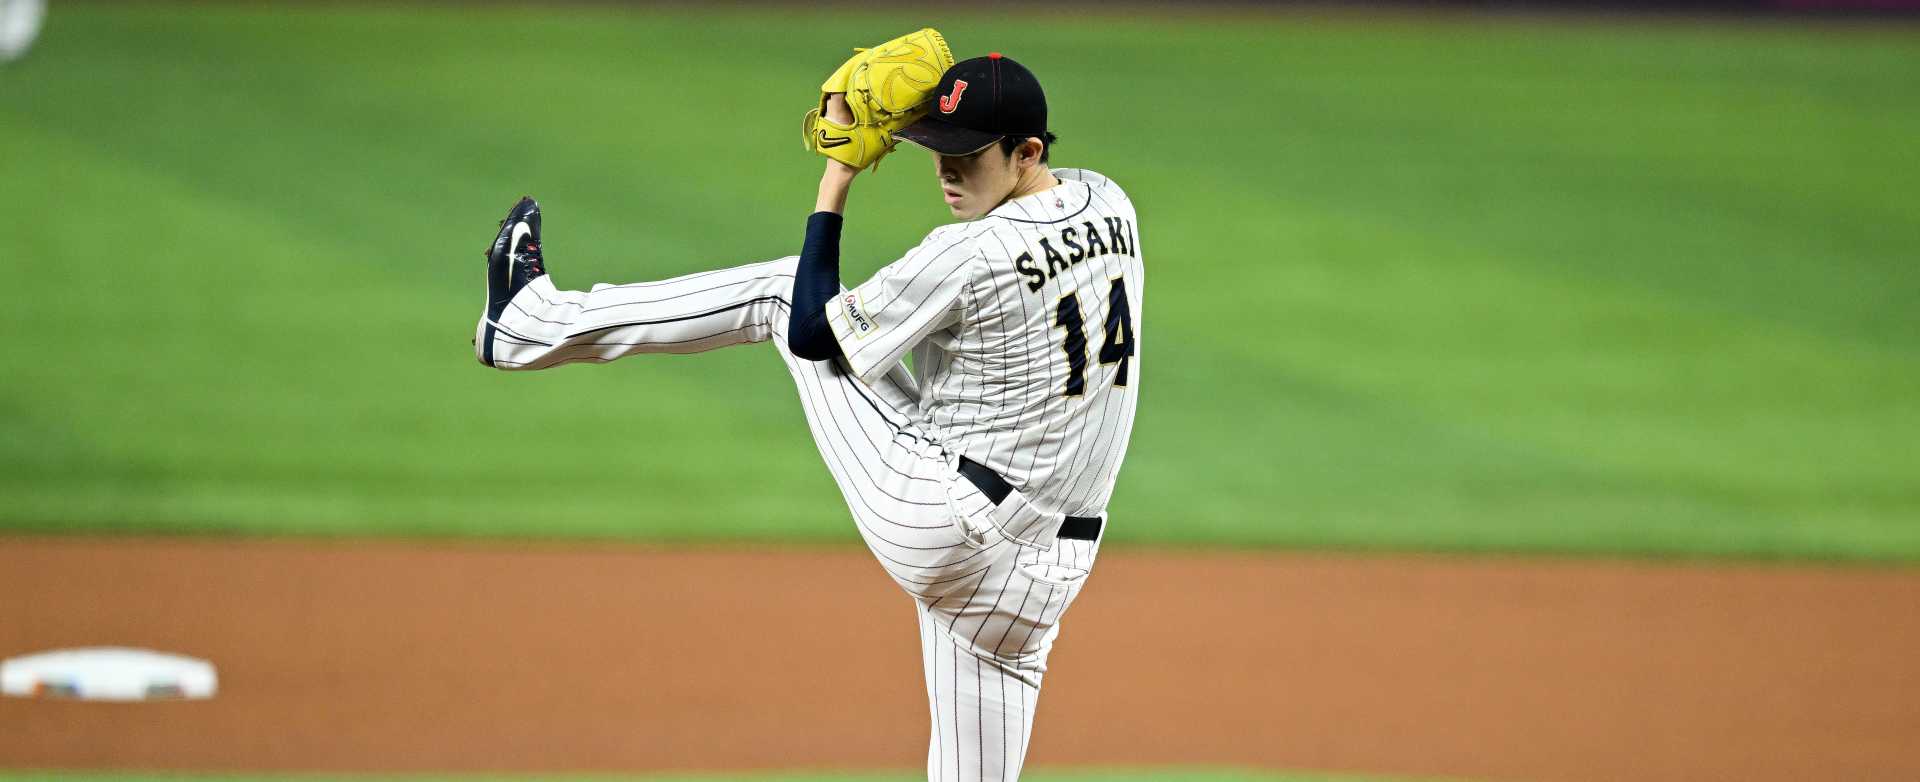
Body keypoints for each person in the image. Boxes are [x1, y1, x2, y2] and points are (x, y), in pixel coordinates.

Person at [473, 47, 1142, 782]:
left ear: (1027, 152)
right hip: (1044, 577)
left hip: (943, 525)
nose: (947, 170)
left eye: (968, 155)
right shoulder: (1111, 204)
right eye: (937, 150)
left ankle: (527, 324)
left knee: (780, 292)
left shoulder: (971, 253)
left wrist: (838, 178)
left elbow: (812, 333)